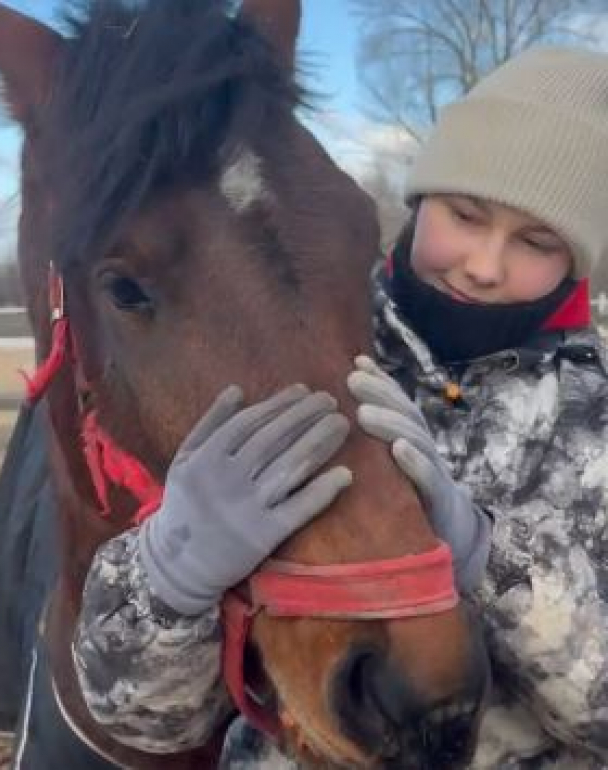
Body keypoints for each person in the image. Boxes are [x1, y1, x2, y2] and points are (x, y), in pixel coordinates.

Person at [73, 46, 608, 769]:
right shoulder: (293, 347)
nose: (484, 264)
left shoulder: (592, 421)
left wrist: (489, 558)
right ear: (419, 204)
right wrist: (171, 574)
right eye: (465, 214)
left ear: (576, 260)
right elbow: (151, 722)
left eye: (536, 241)